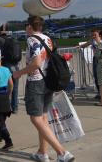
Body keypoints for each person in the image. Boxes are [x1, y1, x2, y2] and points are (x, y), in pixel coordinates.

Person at [13, 16, 74, 162]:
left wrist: (18, 73)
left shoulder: (31, 40)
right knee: (43, 117)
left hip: (36, 82)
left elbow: (36, 63)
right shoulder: (47, 38)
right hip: (48, 81)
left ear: (29, 26)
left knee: (35, 118)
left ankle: (62, 152)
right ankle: (42, 152)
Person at [0, 24, 22, 113]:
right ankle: (15, 108)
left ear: (0, 31)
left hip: (5, 66)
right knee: (15, 88)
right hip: (16, 66)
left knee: (3, 87)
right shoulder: (14, 39)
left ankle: (5, 107)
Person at [77, 29, 100, 99]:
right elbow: (86, 44)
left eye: (95, 35)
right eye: (92, 35)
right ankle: (99, 92)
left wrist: (98, 42)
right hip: (95, 59)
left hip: (100, 59)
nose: (93, 36)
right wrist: (80, 46)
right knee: (96, 76)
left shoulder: (100, 41)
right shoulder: (92, 40)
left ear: (99, 35)